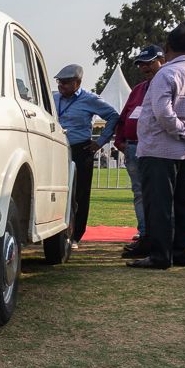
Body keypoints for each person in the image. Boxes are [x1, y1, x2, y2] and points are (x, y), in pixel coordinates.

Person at [127, 25, 185, 269]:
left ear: (167, 47)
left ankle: (160, 255)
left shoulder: (166, 73)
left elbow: (163, 112)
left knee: (160, 204)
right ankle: (183, 253)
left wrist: (183, 132)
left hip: (161, 148)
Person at [53, 64, 120, 249]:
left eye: (66, 83)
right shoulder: (52, 98)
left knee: (79, 194)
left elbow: (113, 116)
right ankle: (55, 232)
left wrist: (100, 142)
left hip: (80, 150)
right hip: (55, 150)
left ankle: (75, 235)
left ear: (78, 82)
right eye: (60, 82)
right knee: (56, 192)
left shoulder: (90, 99)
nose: (61, 86)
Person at [115, 45, 165, 258]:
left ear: (162, 60)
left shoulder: (166, 84)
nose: (145, 67)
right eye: (142, 63)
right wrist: (120, 141)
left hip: (155, 147)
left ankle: (158, 236)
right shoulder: (138, 89)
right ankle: (145, 234)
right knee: (139, 192)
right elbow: (124, 115)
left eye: (150, 62)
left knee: (158, 193)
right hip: (133, 147)